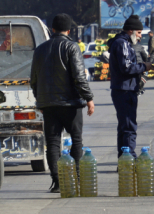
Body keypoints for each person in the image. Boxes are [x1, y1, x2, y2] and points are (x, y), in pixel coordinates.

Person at [30, 13, 95, 193]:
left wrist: (40, 101)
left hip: (49, 105)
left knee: (52, 143)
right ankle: (76, 178)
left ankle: (58, 182)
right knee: (76, 139)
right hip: (71, 104)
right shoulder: (72, 47)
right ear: (69, 30)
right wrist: (89, 98)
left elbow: (33, 80)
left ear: (52, 29)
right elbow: (79, 77)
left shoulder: (40, 50)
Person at [108, 15, 153, 157]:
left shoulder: (123, 43)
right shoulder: (123, 44)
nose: (140, 36)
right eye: (139, 33)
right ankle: (129, 159)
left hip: (124, 89)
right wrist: (144, 66)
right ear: (130, 31)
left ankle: (124, 159)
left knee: (124, 127)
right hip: (124, 91)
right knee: (129, 127)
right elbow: (127, 67)